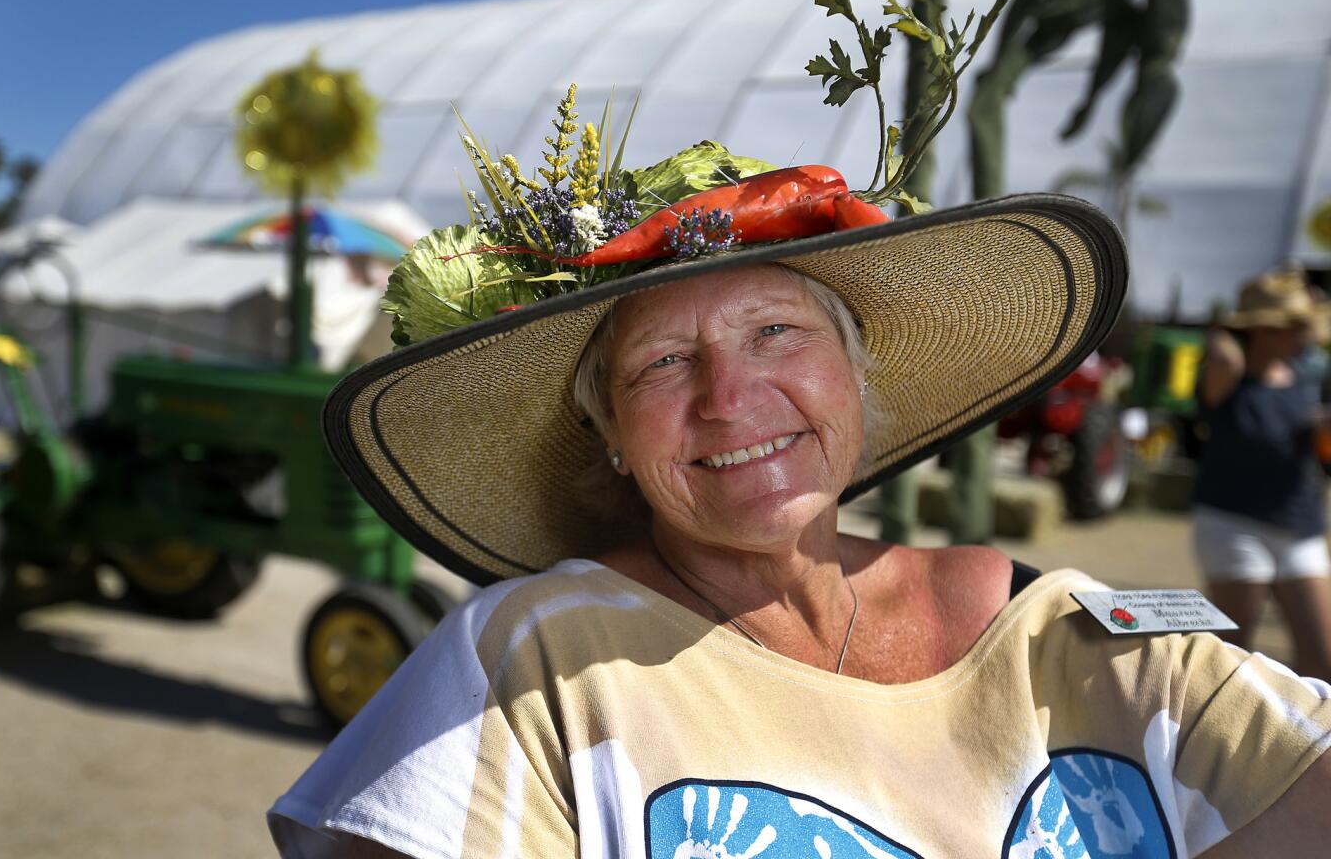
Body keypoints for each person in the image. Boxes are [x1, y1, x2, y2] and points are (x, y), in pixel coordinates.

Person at [269, 123, 1331, 856]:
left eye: (775, 331)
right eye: (662, 365)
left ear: (859, 382)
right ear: (610, 440)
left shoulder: (1060, 626)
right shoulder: (533, 659)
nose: (731, 397)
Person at [1193, 268, 1331, 681]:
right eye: (1294, 326)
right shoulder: (1226, 377)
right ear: (1264, 330)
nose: (1304, 335)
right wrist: (1226, 331)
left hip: (1299, 525)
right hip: (1234, 525)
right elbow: (1223, 354)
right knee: (1233, 656)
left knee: (1323, 657)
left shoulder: (1305, 381)